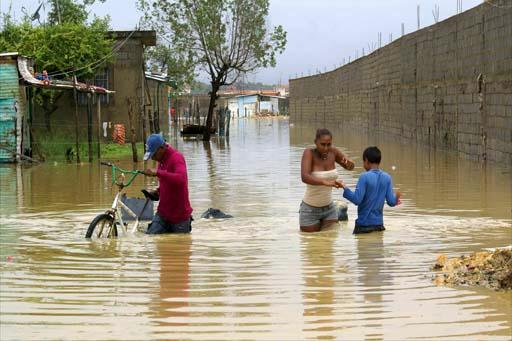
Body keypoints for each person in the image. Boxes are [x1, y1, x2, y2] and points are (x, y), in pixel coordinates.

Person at [300, 128, 355, 232]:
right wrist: (324, 182)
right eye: (323, 144)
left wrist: (350, 164)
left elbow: (349, 167)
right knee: (312, 244)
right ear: (315, 142)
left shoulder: (333, 152)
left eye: (329, 144)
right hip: (310, 211)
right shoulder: (309, 153)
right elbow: (304, 176)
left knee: (328, 243)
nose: (326, 148)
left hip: (329, 210)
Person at [339, 146, 401, 234]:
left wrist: (344, 187)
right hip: (379, 226)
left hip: (364, 226)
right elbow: (391, 202)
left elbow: (357, 200)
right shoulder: (387, 177)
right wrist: (396, 198)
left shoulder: (364, 177)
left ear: (366, 161)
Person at [143, 134, 193, 234]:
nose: (152, 158)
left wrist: (157, 172)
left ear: (161, 148)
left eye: (154, 155)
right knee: (150, 236)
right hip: (163, 213)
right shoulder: (161, 160)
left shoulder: (177, 158)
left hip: (179, 217)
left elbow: (181, 179)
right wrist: (158, 191)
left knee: (178, 246)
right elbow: (167, 181)